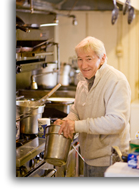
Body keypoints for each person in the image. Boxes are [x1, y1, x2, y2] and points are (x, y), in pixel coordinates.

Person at [54, 36, 131, 177]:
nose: (83, 65)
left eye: (89, 59)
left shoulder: (116, 81)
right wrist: (67, 121)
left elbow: (117, 121)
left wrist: (76, 126)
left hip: (110, 161)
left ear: (102, 59)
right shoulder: (83, 80)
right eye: (80, 59)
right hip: (88, 158)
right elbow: (76, 111)